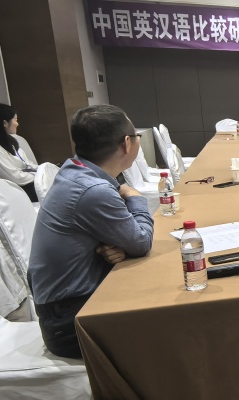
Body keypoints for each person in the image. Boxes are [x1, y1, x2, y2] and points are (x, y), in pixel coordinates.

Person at [28, 104, 155, 358]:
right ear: (127, 143)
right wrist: (136, 197)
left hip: (70, 304)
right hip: (70, 322)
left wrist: (117, 247)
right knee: (170, 322)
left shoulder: (74, 170)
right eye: (137, 135)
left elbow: (126, 239)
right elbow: (141, 242)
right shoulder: (93, 191)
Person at [0, 103, 38, 201]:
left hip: (28, 182)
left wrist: (42, 170)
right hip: (18, 190)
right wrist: (38, 176)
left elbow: (27, 163)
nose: (17, 124)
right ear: (5, 123)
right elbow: (15, 177)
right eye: (15, 120)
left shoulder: (8, 141)